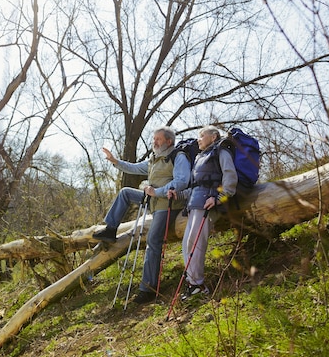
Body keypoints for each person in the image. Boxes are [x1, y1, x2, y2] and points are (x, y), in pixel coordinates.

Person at [93, 126, 191, 304]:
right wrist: (115, 161)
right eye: (154, 139)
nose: (154, 142)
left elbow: (182, 181)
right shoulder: (154, 159)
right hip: (152, 200)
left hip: (167, 204)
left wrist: (157, 191)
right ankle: (110, 229)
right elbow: (134, 168)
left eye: (158, 139)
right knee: (125, 193)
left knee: (153, 241)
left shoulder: (178, 157)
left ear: (169, 141)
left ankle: (148, 289)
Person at [168, 125, 237, 300]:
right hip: (195, 204)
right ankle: (192, 284)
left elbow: (230, 178)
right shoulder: (200, 157)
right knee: (187, 244)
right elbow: (195, 188)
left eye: (202, 135)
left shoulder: (221, 151)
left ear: (213, 137)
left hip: (208, 204)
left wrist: (218, 198)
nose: (198, 139)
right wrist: (178, 195)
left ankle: (198, 284)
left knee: (196, 242)